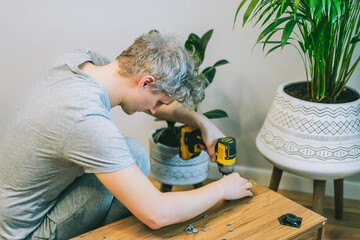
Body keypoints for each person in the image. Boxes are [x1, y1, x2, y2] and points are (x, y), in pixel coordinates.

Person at [0, 31, 253, 240]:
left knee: (132, 153)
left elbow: (139, 97)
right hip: (24, 233)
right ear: (145, 82)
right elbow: (157, 214)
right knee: (137, 162)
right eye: (158, 101)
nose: (155, 111)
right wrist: (222, 188)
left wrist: (201, 122)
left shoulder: (81, 61)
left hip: (9, 210)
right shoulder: (86, 119)